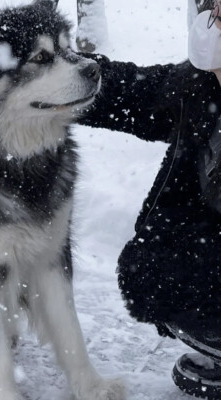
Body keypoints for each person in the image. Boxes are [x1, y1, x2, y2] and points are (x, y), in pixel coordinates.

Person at [78, 2, 221, 398]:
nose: (213, 29)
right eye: (215, 15)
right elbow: (133, 91)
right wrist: (65, 74)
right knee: (159, 267)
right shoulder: (199, 89)